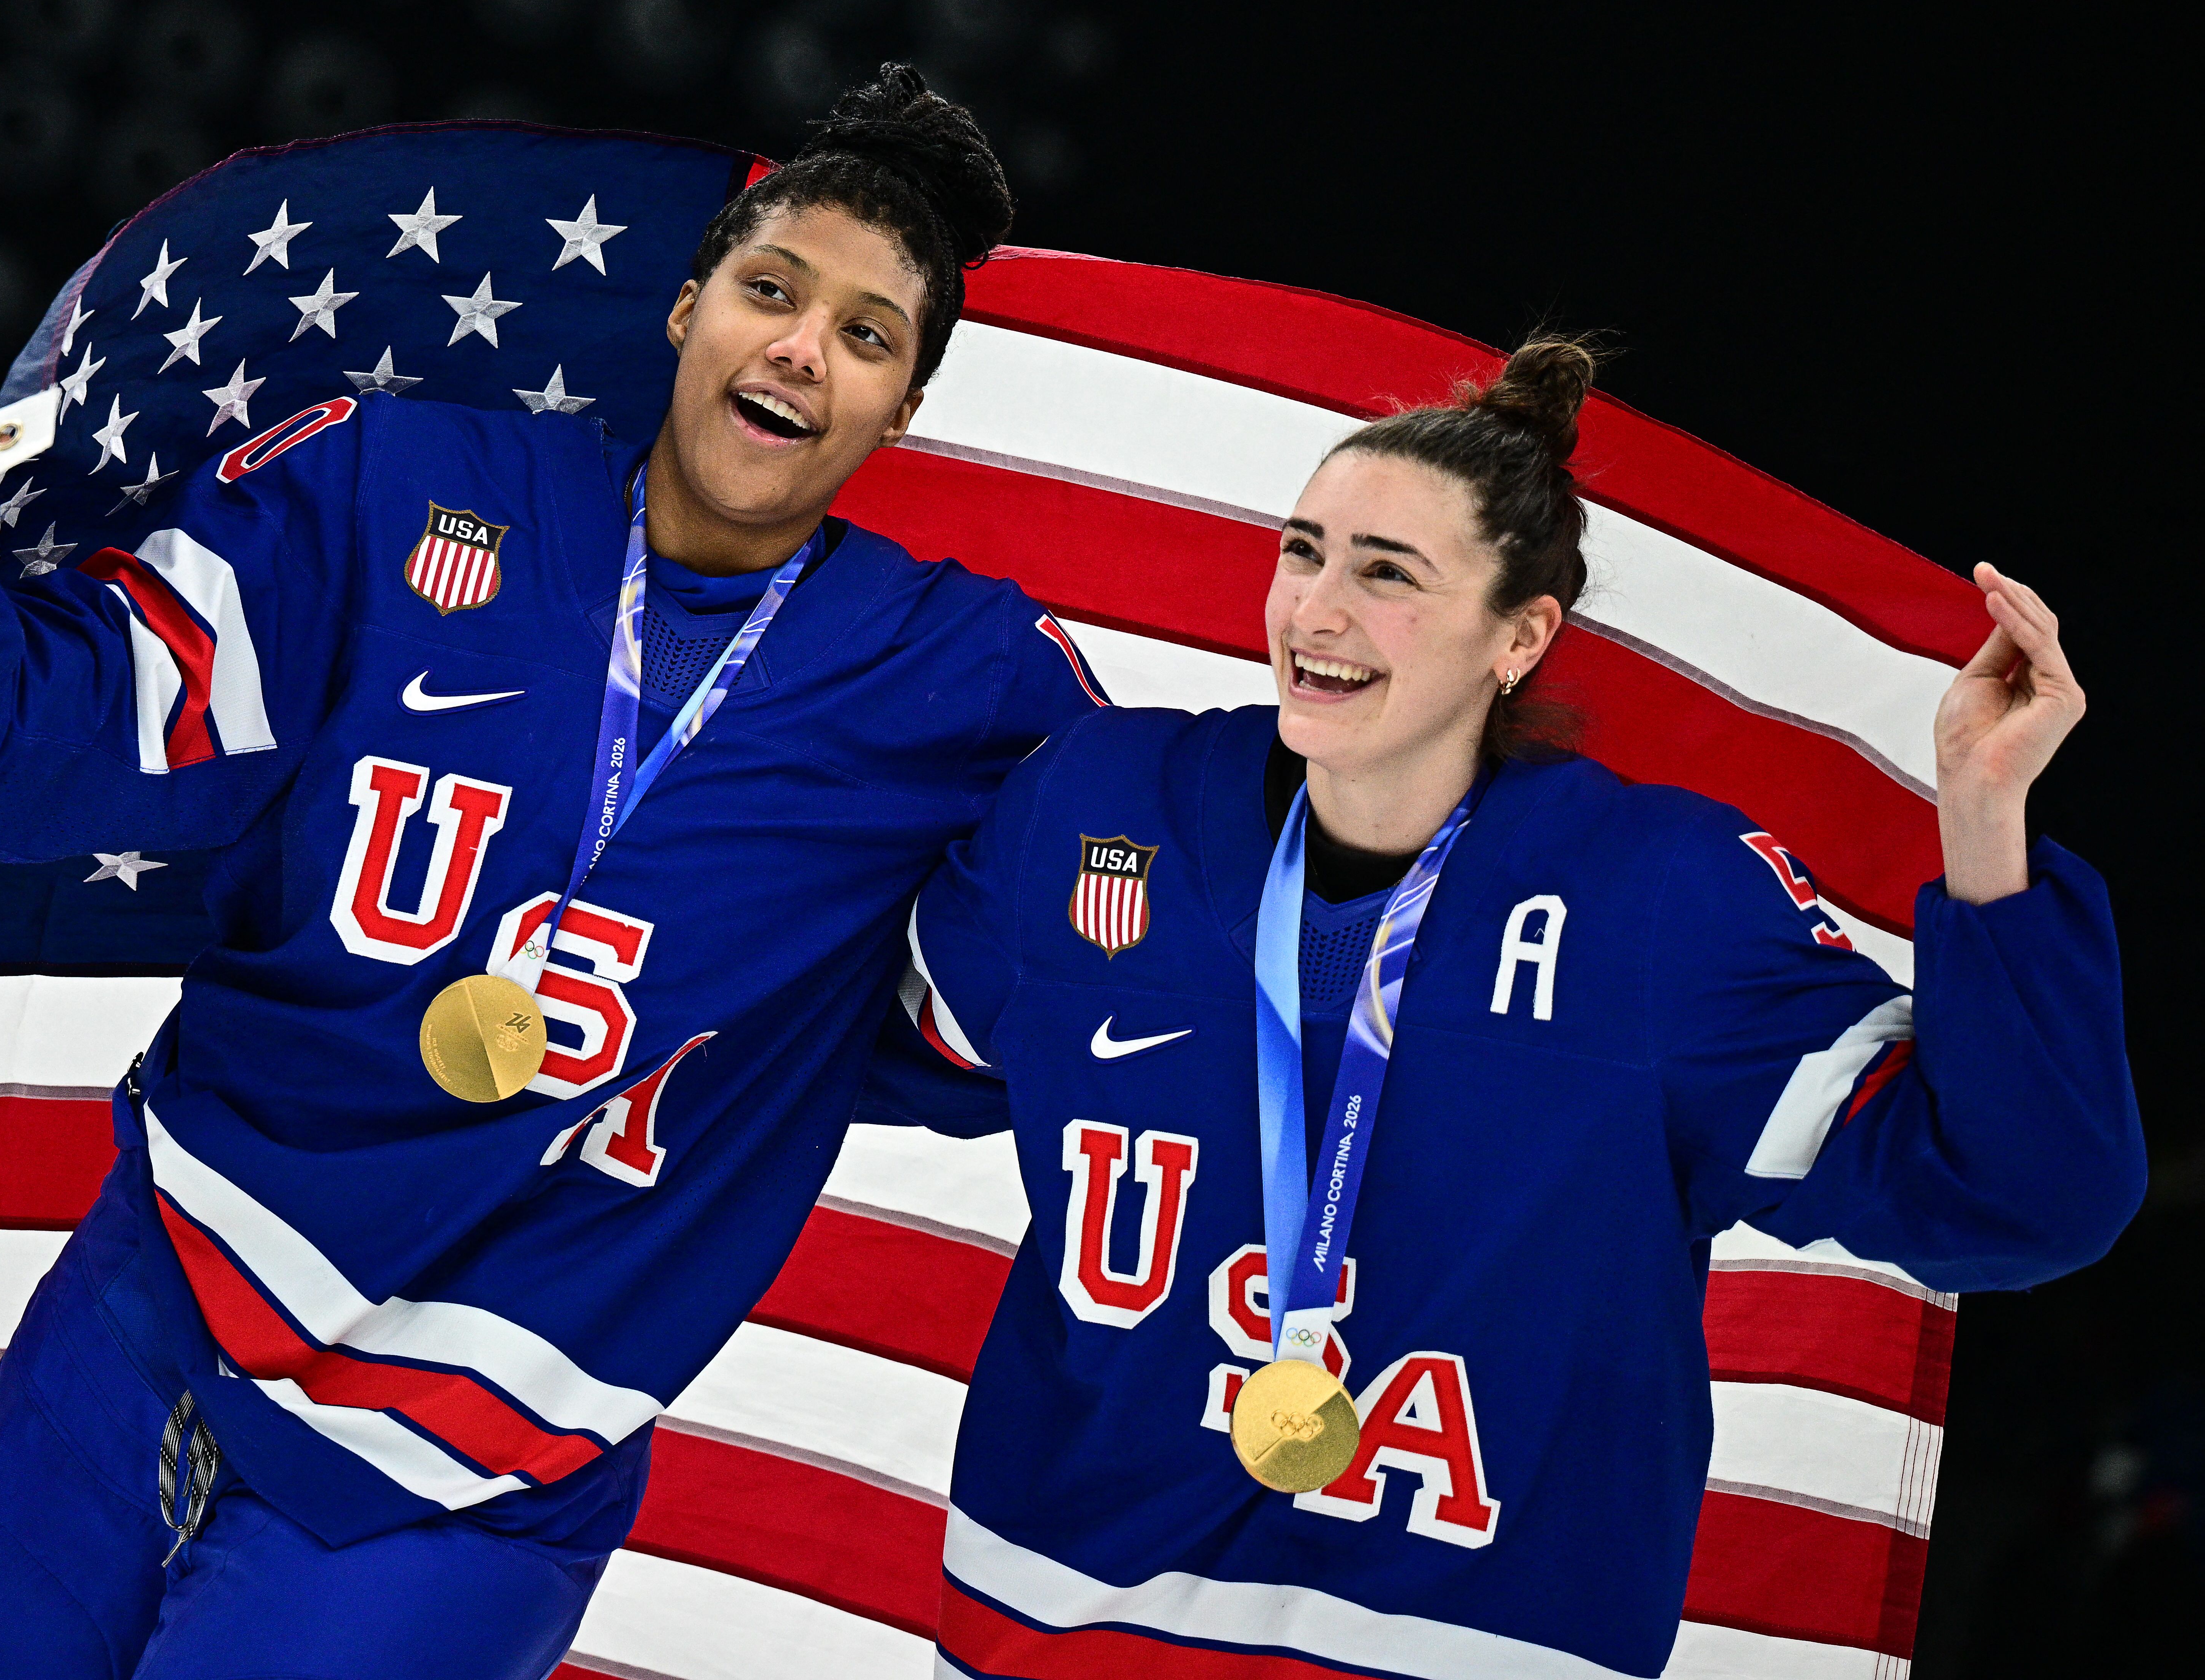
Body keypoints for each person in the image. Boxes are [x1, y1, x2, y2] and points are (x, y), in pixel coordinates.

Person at [0, 66, 1106, 1680]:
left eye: (864, 334)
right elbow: (68, 732)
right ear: (689, 306)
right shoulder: (398, 484)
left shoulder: (965, 681)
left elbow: (1015, 1024)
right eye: (770, 291)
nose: (799, 347)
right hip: (164, 1296)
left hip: (481, 1455)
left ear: (901, 408)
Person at [894, 339, 2142, 1678]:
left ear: (1521, 635)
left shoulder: (1654, 905)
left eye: (1387, 574)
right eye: (1302, 550)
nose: (1315, 611)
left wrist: (1984, 817)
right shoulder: (1099, 808)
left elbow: (2016, 1198)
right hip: (1052, 1623)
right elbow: (866, 1043)